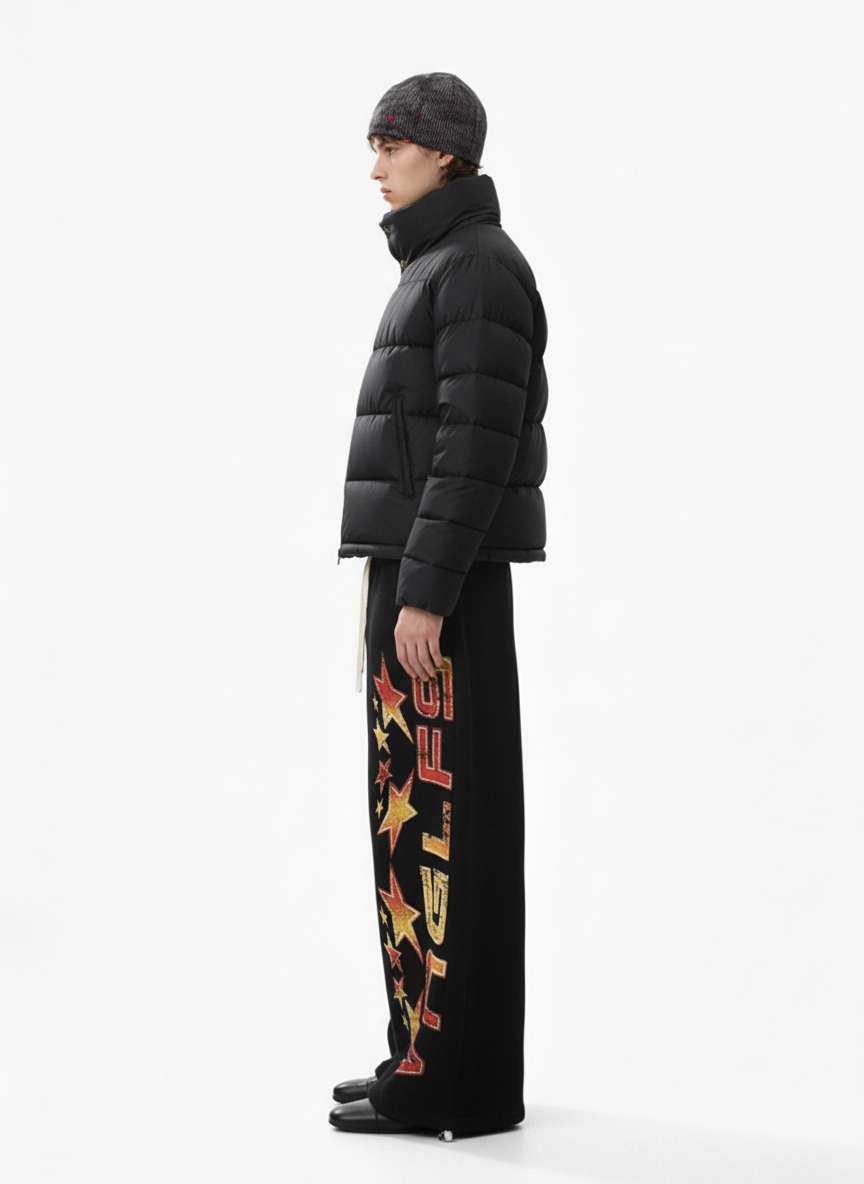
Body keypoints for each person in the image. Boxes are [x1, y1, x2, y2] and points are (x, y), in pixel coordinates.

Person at [330, 71, 548, 1139]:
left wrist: (423, 592)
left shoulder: (474, 268)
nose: (375, 167)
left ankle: (451, 1084)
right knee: (411, 826)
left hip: (440, 590)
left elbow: (475, 444)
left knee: (440, 830)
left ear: (446, 151)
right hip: (420, 575)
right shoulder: (444, 263)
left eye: (392, 145)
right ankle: (423, 1057)